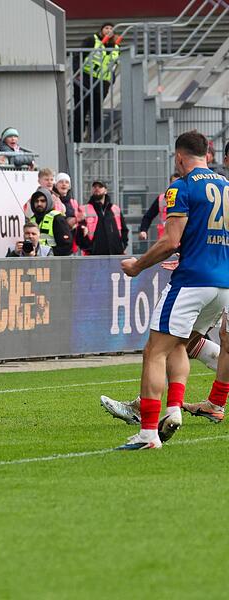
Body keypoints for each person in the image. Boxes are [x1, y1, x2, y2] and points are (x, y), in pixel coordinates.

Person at [113, 131, 229, 450]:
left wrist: (138, 266)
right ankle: (175, 409)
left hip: (192, 281)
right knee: (180, 343)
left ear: (179, 157)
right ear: (207, 153)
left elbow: (170, 241)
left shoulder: (181, 186)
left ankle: (148, 433)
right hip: (224, 284)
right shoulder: (226, 187)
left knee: (155, 350)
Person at [73, 22, 121, 142]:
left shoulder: (116, 47)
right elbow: (78, 55)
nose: (109, 30)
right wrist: (77, 73)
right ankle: (77, 140)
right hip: (85, 78)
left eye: (111, 28)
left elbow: (113, 64)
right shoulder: (92, 40)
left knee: (97, 111)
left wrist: (112, 77)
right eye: (106, 28)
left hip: (102, 82)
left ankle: (94, 139)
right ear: (101, 30)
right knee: (81, 110)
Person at [75, 180, 128, 255]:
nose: (97, 188)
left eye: (100, 187)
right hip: (94, 257)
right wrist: (89, 249)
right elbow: (79, 234)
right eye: (95, 187)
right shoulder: (84, 209)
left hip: (115, 254)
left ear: (105, 190)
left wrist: (122, 246)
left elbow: (124, 230)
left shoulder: (115, 209)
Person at [28, 188, 72, 256]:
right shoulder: (31, 220)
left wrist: (48, 253)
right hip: (35, 260)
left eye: (43, 201)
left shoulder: (57, 218)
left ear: (48, 201)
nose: (39, 204)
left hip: (53, 262)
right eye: (36, 201)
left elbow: (66, 246)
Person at [139, 175, 181, 242]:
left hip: (182, 238)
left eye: (179, 183)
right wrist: (143, 230)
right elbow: (148, 216)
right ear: (170, 184)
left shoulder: (188, 197)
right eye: (174, 183)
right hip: (165, 238)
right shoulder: (162, 199)